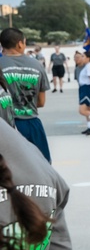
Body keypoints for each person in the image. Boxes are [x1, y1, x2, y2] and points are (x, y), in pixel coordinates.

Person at [0, 27, 51, 161]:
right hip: (32, 123)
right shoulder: (37, 65)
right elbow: (41, 102)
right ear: (20, 44)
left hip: (6, 126)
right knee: (41, 166)